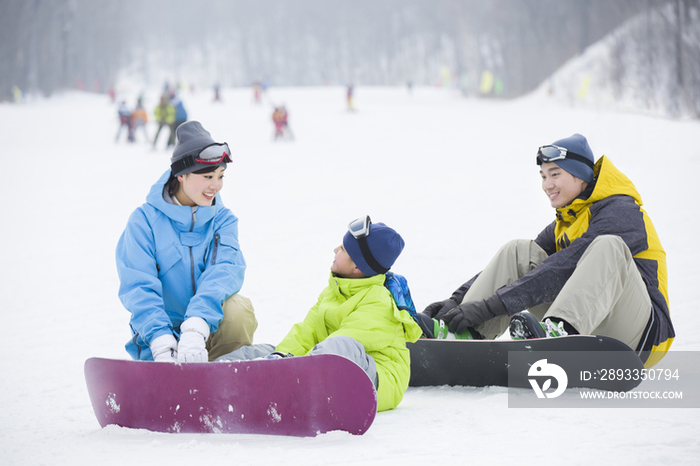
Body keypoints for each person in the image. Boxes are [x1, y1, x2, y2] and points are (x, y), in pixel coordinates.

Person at [422, 134, 674, 368]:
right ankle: (464, 334)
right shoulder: (568, 220)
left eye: (555, 174)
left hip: (638, 338)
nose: (547, 185)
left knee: (609, 246)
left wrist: (490, 306)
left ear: (581, 175)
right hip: (593, 322)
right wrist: (457, 302)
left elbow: (560, 268)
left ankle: (559, 336)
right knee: (519, 251)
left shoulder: (621, 212)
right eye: (543, 176)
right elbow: (524, 270)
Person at [217, 216, 422, 411]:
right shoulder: (334, 290)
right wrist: (279, 357)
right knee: (260, 352)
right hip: (326, 368)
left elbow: (344, 345)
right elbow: (307, 332)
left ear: (357, 267)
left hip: (376, 380)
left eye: (342, 249)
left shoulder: (379, 301)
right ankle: (215, 380)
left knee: (342, 344)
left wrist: (287, 369)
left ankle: (286, 386)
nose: (335, 249)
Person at [116, 121, 258, 363]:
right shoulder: (143, 222)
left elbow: (223, 272)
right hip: (160, 344)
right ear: (181, 175)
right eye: (207, 177)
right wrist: (160, 339)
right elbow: (138, 286)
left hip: (205, 333)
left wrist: (196, 326)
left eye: (220, 176)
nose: (216, 185)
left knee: (239, 309)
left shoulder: (223, 221)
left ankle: (225, 376)